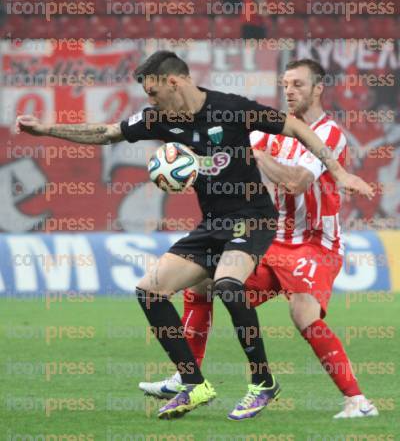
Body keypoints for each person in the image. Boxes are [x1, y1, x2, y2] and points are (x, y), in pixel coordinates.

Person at [16, 51, 373, 420]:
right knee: (150, 290)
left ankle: (262, 383)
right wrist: (46, 129)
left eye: (153, 93)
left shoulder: (230, 108)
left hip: (252, 219)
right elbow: (107, 133)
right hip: (213, 224)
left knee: (228, 285)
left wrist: (340, 173)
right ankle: (193, 382)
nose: (149, 102)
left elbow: (296, 128)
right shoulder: (159, 119)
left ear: (174, 82)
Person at [138, 59, 379, 420]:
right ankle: (187, 377)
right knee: (204, 282)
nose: (289, 90)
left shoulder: (327, 134)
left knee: (303, 314)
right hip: (272, 239)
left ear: (317, 89)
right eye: (285, 83)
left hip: (314, 244)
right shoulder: (267, 131)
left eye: (298, 84)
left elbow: (295, 181)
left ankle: (358, 402)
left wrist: (253, 152)